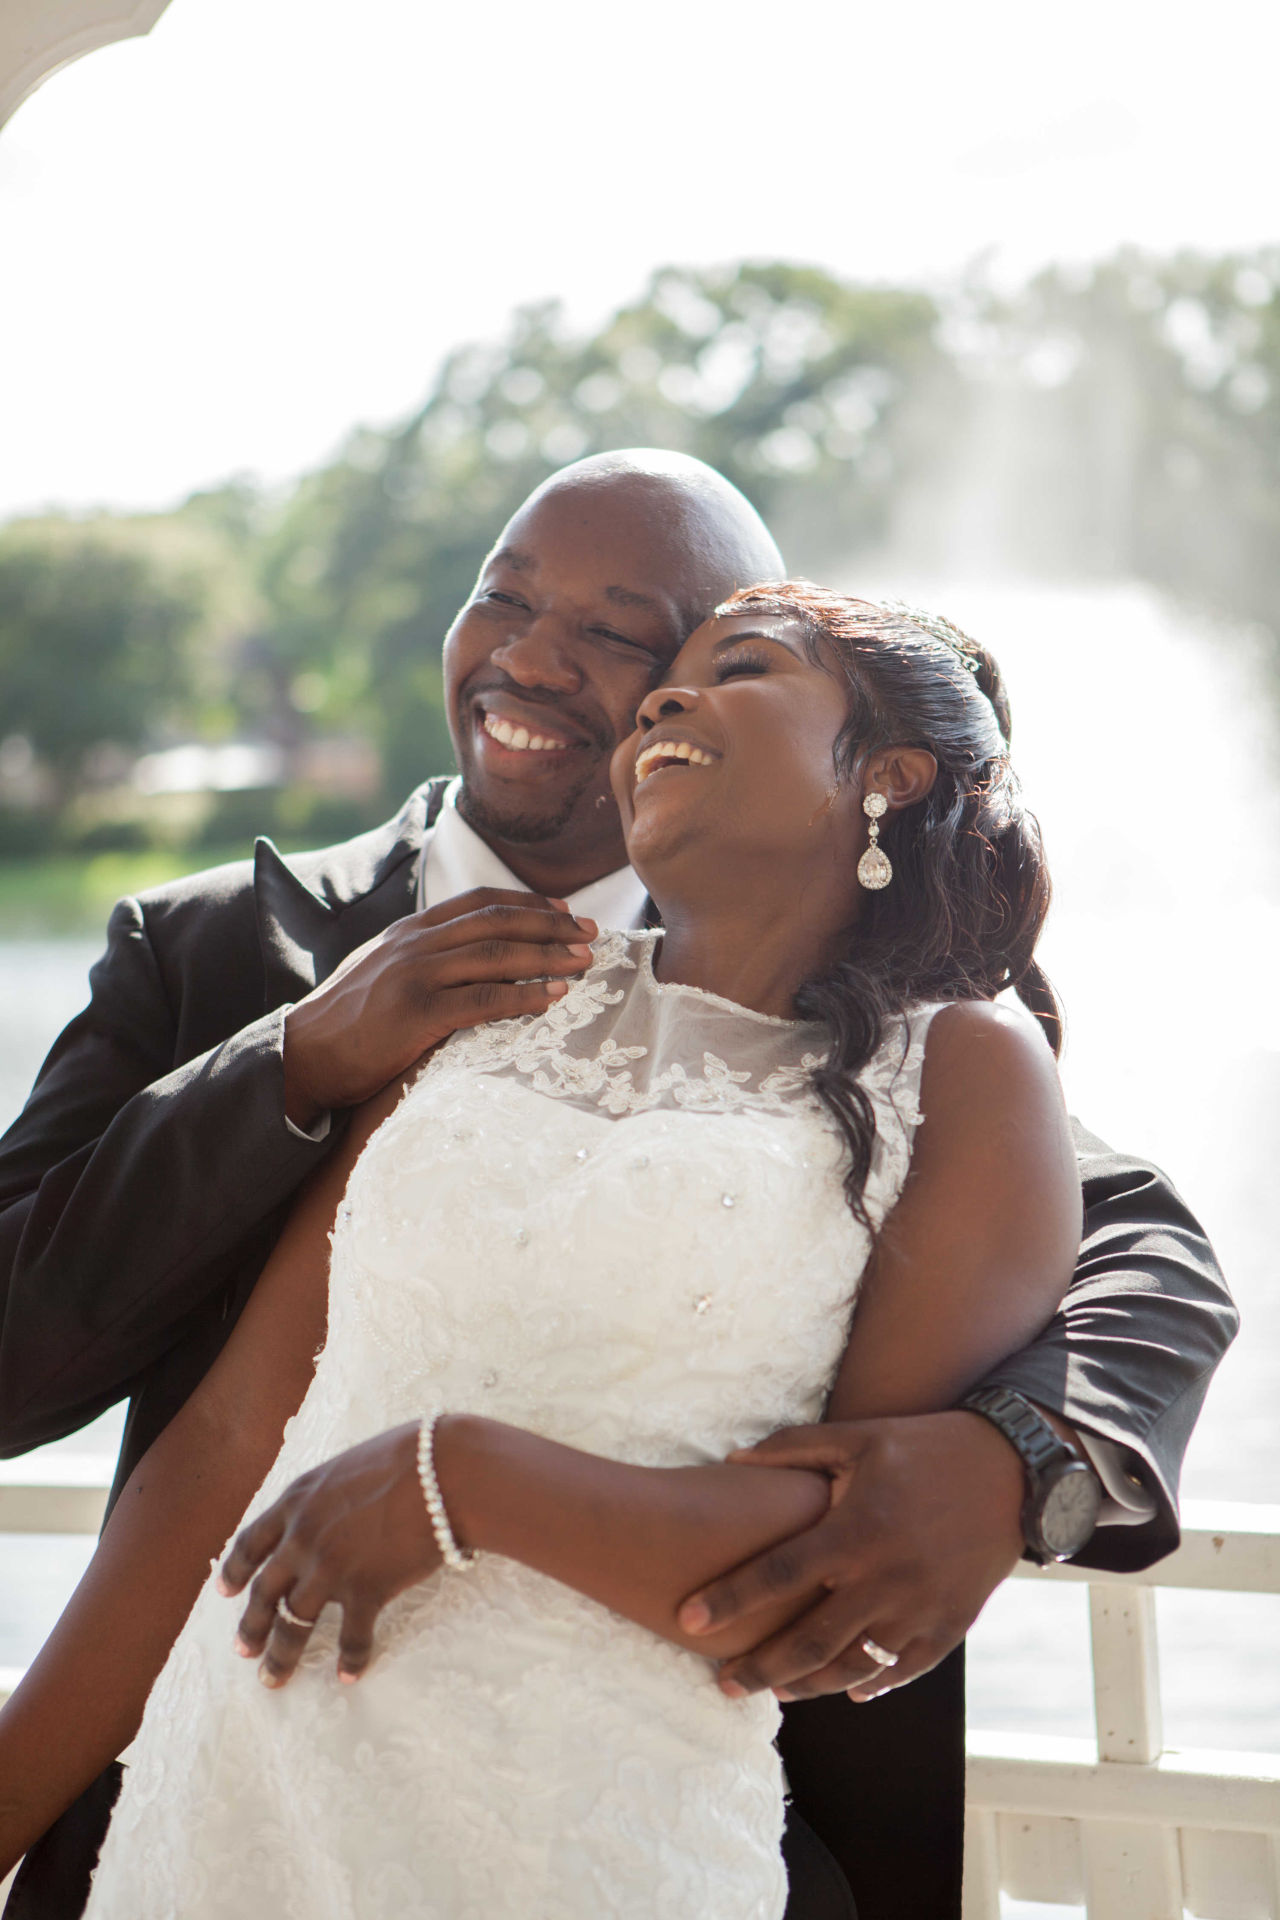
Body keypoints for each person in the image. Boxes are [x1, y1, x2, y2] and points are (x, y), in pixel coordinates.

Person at [0, 453, 1234, 1919]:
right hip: (215, 1794)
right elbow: (205, 1438)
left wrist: (1016, 1458)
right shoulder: (215, 955)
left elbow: (1146, 1247)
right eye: (504, 597)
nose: (536, 658)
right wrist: (301, 1060)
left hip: (635, 1830)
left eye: (625, 634)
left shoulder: (914, 1053)